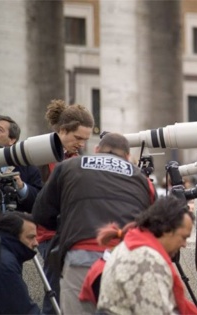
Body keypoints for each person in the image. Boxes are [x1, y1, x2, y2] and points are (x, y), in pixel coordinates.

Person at [33, 132, 156, 315]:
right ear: (128, 156)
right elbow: (153, 224)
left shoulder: (69, 166)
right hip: (126, 259)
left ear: (97, 150)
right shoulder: (143, 180)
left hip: (81, 256)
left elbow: (41, 213)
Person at [96, 196, 197, 315]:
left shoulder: (136, 245)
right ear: (166, 229)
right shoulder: (145, 260)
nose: (184, 244)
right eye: (183, 237)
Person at [36, 99, 94, 314]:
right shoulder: (41, 155)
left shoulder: (74, 158)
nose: (81, 144)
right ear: (62, 130)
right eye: (77, 137)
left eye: (85, 140)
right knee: (55, 297)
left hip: (71, 232)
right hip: (50, 234)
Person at [0, 115, 43, 213]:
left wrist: (21, 188)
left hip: (14, 223)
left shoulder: (27, 167)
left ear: (12, 140)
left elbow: (40, 203)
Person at [0, 212, 40, 314]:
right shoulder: (4, 265)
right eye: (30, 237)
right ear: (13, 237)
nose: (36, 243)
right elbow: (21, 310)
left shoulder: (3, 254)